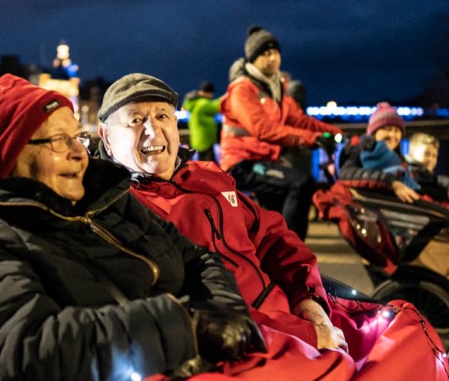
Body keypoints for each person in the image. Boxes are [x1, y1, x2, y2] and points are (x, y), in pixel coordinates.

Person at [0, 74, 263, 381]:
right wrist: (186, 327)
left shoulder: (111, 201)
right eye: (60, 141)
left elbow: (195, 259)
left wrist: (227, 314)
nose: (79, 153)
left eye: (78, 137)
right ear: (10, 155)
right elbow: (33, 355)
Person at [96, 73, 348, 354]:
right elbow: (186, 306)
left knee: (401, 326)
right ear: (106, 137)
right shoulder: (119, 208)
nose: (153, 131)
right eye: (135, 120)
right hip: (248, 346)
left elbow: (272, 236)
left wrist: (309, 301)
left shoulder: (207, 177)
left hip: (301, 319)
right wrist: (302, 333)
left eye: (163, 116)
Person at [219, 25, 340, 239]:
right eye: (265, 53)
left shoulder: (274, 88)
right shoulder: (243, 89)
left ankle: (274, 250)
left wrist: (333, 132)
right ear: (253, 59)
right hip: (242, 163)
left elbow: (298, 119)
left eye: (275, 52)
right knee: (301, 183)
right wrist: (311, 140)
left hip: (264, 161)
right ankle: (292, 248)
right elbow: (263, 129)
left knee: (274, 215)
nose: (272, 58)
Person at [336, 103, 449, 204]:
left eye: (397, 131)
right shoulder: (360, 150)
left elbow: (423, 176)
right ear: (374, 133)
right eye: (387, 129)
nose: (392, 135)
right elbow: (346, 174)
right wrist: (391, 182)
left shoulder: (398, 159)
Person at [182, 81, 222, 162]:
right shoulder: (203, 104)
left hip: (197, 138)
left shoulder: (194, 102)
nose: (212, 96)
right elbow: (219, 106)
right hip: (205, 140)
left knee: (202, 163)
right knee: (208, 165)